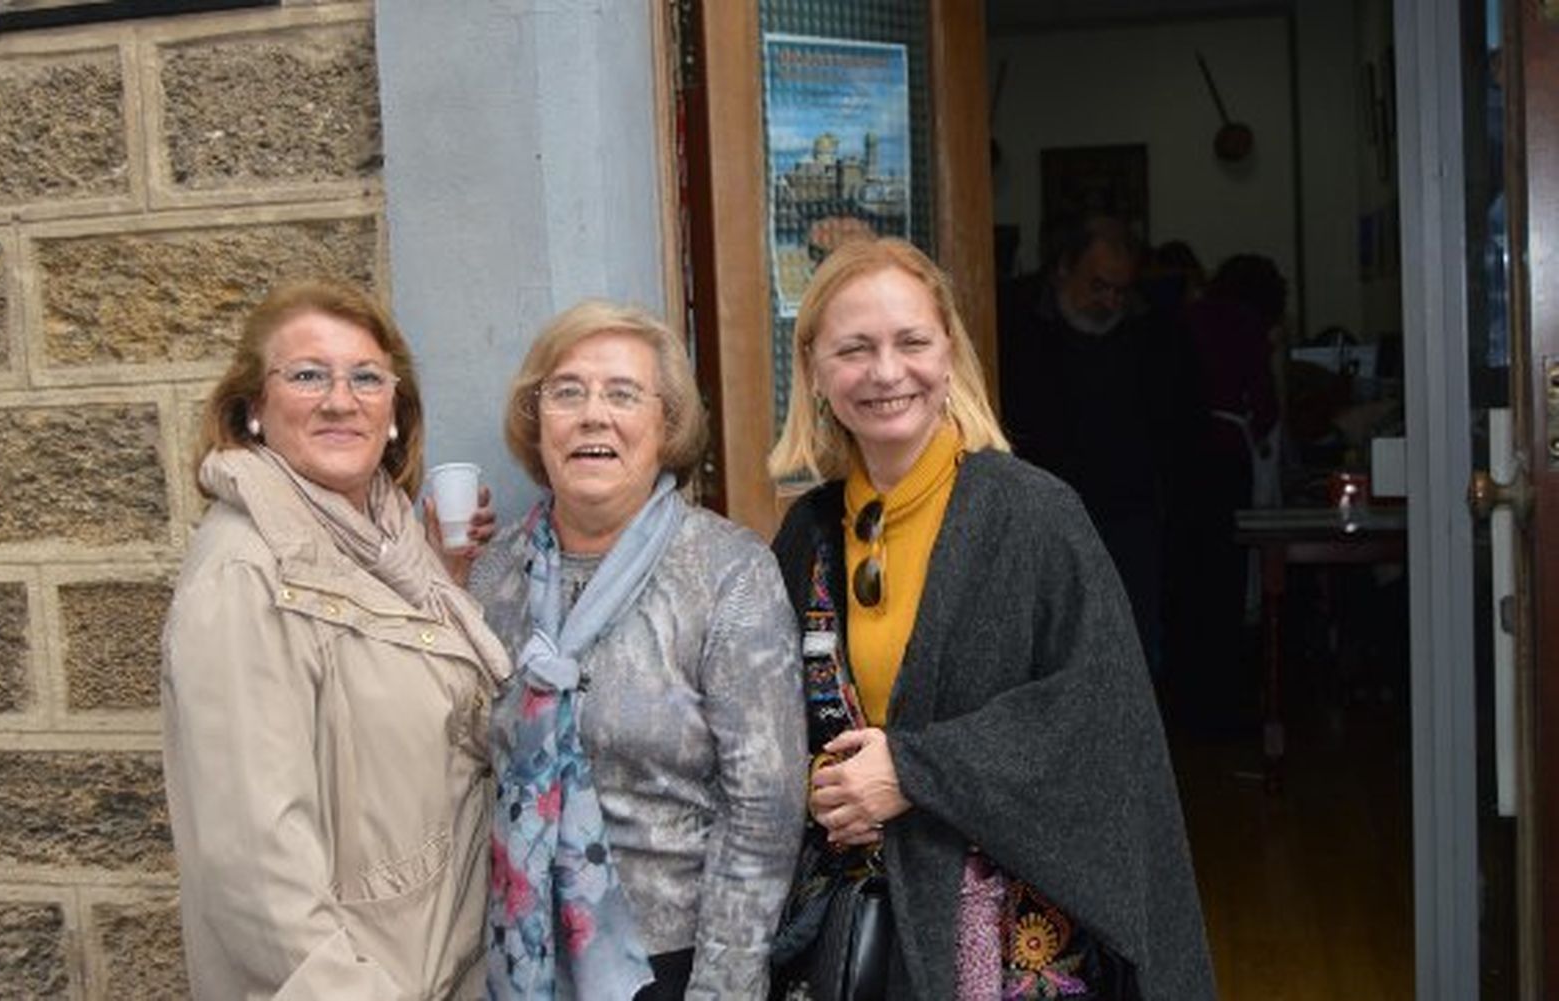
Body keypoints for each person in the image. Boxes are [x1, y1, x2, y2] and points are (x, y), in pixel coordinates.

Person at [768, 237, 1214, 999]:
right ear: (813, 367)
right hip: (860, 929)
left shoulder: (1034, 514)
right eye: (854, 348)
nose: (885, 372)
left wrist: (913, 770)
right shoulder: (807, 532)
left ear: (950, 354)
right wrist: (824, 781)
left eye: (912, 341)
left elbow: (1101, 715)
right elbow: (769, 715)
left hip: (1014, 940)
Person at [161, 278, 513, 999]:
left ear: (394, 411)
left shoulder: (385, 544)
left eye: (365, 377)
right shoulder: (248, 576)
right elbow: (257, 879)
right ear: (253, 408)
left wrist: (442, 577)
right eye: (307, 375)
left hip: (437, 968)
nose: (339, 399)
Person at [464, 300, 807, 999]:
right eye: (568, 392)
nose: (594, 414)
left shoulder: (725, 570)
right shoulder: (495, 575)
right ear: (538, 422)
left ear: (666, 424)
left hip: (671, 967)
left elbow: (764, 811)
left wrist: (724, 987)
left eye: (623, 394)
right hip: (520, 955)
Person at [996, 213, 1204, 672]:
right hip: (1038, 518)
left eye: (1119, 289)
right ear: (1063, 271)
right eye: (1098, 286)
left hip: (1129, 514)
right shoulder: (1013, 323)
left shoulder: (1155, 331)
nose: (1109, 300)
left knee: (1131, 644)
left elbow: (1179, 427)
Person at [1168, 254, 1286, 732]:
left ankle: (1185, 700)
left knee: (1186, 582)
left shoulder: (1187, 314)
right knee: (1225, 582)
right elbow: (1263, 403)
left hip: (1180, 458)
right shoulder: (1247, 324)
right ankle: (1221, 703)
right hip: (1225, 457)